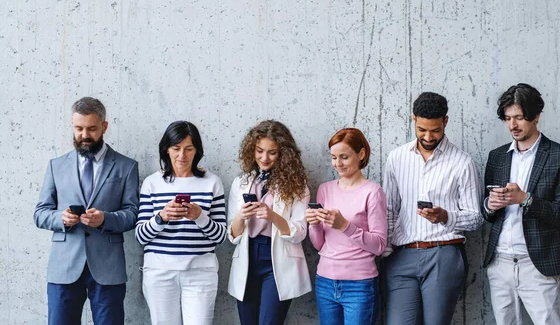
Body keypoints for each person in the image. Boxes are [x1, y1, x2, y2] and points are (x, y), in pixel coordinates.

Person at [33, 97, 139, 325]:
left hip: (107, 267)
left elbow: (132, 214)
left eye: (91, 128)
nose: (84, 135)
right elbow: (40, 213)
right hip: (64, 266)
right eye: (78, 128)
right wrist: (61, 218)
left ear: (104, 127)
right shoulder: (56, 165)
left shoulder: (126, 166)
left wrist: (105, 219)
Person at [383, 92, 483, 325]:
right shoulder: (396, 158)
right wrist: (387, 251)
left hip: (444, 254)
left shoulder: (462, 162)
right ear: (413, 119)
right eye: (422, 129)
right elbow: (389, 209)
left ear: (445, 122)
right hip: (402, 255)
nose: (428, 136)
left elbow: (476, 218)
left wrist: (445, 216)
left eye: (435, 130)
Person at [482, 83, 560, 325]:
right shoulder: (496, 157)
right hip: (500, 261)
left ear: (536, 116)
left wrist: (525, 199)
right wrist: (490, 205)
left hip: (538, 263)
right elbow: (486, 211)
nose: (512, 125)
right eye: (507, 118)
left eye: (519, 118)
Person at [135, 121, 226, 325]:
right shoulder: (152, 183)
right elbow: (140, 236)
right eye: (176, 149)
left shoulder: (212, 182)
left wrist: (199, 216)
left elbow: (220, 236)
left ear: (197, 151)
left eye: (189, 149)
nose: (182, 156)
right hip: (159, 273)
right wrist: (162, 217)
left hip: (201, 273)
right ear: (166, 150)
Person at [227, 120, 311, 325]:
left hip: (278, 261)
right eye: (259, 151)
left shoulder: (298, 185)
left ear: (283, 153)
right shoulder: (241, 182)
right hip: (247, 258)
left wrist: (274, 216)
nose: (264, 158)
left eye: (272, 152)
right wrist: (241, 216)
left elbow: (300, 232)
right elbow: (232, 236)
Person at [306, 128, 387, 325]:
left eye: (344, 157)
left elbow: (379, 245)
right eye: (334, 157)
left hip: (359, 285)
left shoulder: (373, 192)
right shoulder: (325, 190)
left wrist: (345, 226)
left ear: (361, 154)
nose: (338, 164)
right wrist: (314, 224)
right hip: (325, 281)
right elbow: (319, 245)